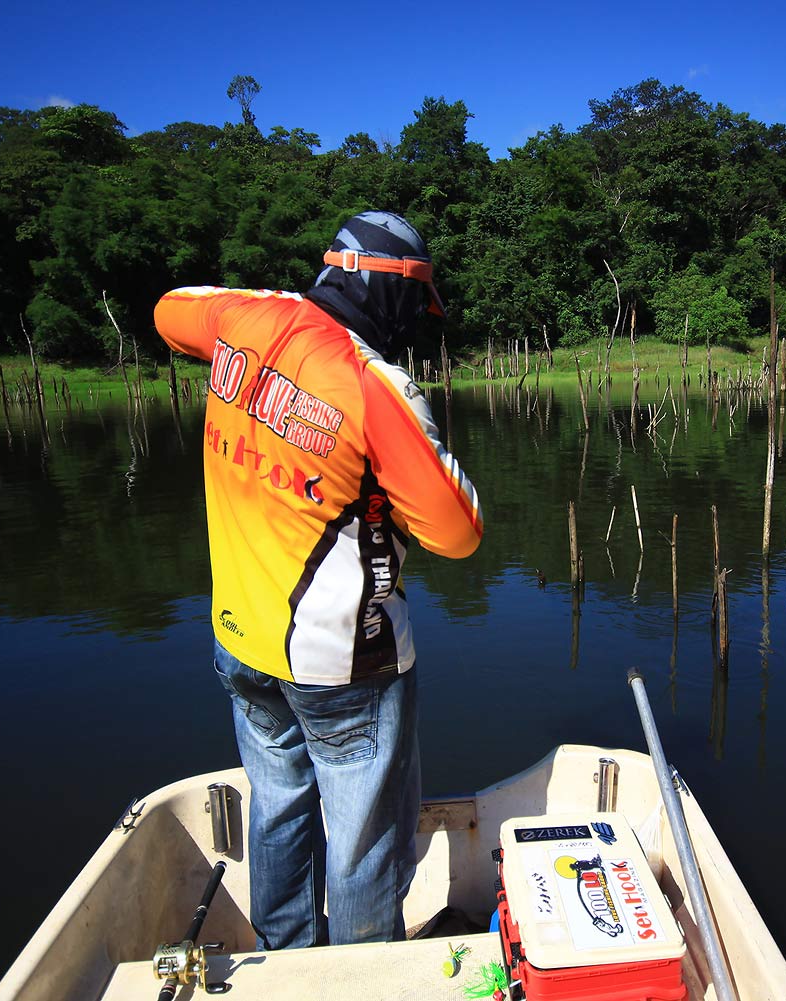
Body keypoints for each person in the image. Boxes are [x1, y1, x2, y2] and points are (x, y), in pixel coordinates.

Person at [154, 211, 483, 950]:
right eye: (417, 306)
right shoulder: (374, 385)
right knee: (362, 843)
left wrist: (263, 318)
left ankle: (287, 966)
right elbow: (459, 532)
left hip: (241, 645)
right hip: (345, 666)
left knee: (277, 807)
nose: (416, 328)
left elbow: (168, 310)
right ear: (390, 291)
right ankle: (357, 983)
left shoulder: (243, 318)